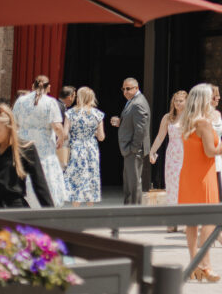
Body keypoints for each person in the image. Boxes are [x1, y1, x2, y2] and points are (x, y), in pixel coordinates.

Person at [178, 84, 222, 282]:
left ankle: (194, 263)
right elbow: (210, 151)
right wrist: (221, 145)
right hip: (204, 175)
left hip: (188, 174)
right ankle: (206, 266)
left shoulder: (187, 121)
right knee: (209, 221)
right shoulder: (204, 122)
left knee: (191, 222)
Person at [13, 75, 67, 206]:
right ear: (48, 87)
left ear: (32, 86)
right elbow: (57, 126)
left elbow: (13, 122)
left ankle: (25, 200)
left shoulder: (21, 101)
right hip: (44, 145)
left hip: (24, 141)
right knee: (43, 171)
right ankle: (45, 202)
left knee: (24, 169)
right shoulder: (50, 102)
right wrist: (61, 138)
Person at [0, 104, 54, 208]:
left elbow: (39, 184)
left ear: (9, 128)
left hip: (14, 208)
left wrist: (50, 215)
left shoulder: (26, 148)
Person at [110, 77, 151, 205]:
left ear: (136, 88)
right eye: (123, 89)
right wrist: (121, 122)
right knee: (129, 184)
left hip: (133, 150)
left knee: (133, 184)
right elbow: (133, 123)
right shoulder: (132, 101)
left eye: (128, 89)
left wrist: (133, 148)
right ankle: (128, 212)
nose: (125, 92)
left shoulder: (138, 103)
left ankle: (134, 214)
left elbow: (141, 129)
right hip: (130, 150)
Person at [150, 89, 188, 225]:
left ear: (186, 102)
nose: (178, 103)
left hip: (186, 153)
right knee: (172, 185)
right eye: (176, 101)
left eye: (181, 101)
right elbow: (160, 136)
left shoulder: (190, 117)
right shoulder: (168, 117)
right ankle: (172, 219)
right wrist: (152, 151)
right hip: (172, 154)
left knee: (184, 185)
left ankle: (184, 218)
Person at [63, 87, 105, 206]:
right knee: (91, 178)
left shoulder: (70, 113)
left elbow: (65, 134)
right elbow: (101, 137)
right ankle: (89, 212)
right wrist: (93, 132)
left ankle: (75, 212)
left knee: (77, 179)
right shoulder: (98, 114)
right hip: (91, 149)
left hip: (76, 148)